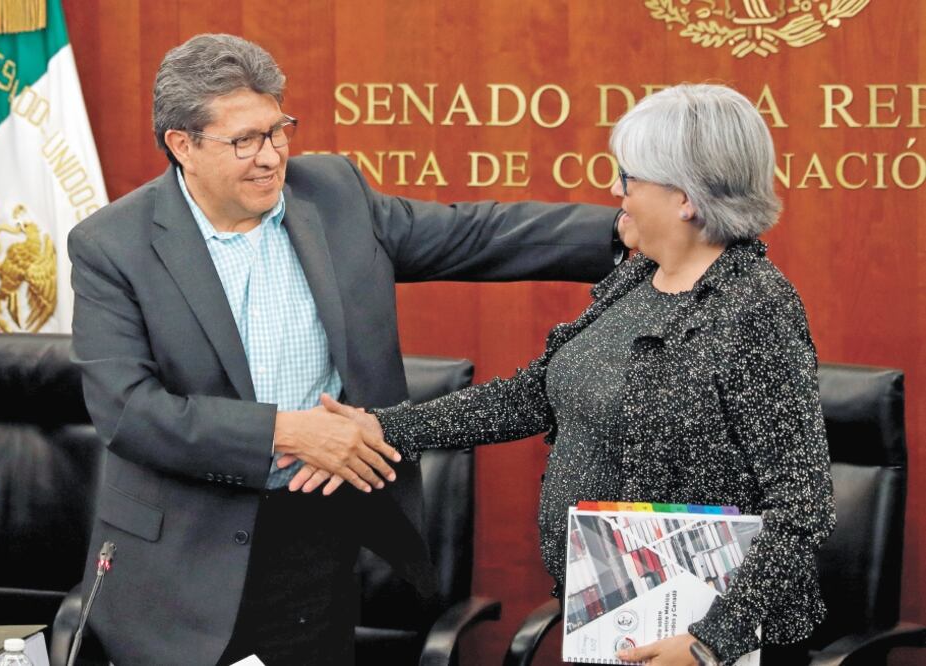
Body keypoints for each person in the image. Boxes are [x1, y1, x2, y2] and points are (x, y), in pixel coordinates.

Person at [67, 33, 624, 666]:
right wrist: (285, 432)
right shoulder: (113, 244)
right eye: (244, 140)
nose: (271, 156)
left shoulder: (332, 193)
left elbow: (472, 234)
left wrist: (619, 229)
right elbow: (129, 412)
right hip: (181, 555)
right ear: (182, 146)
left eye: (279, 131)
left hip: (315, 538)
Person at [316, 84, 836, 665]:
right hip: (621, 612)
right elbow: (534, 395)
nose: (616, 192)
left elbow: (802, 505)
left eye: (630, 178)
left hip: (704, 640)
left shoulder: (756, 307)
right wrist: (383, 429)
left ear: (685, 198)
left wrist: (710, 643)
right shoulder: (640, 278)